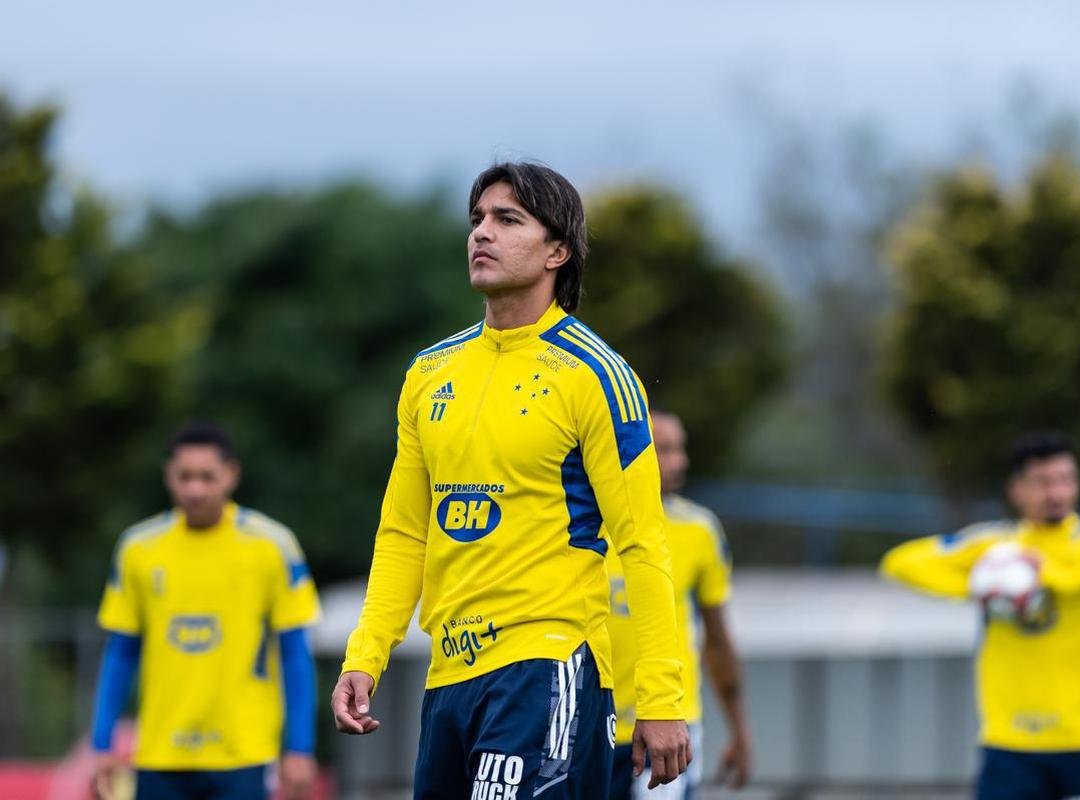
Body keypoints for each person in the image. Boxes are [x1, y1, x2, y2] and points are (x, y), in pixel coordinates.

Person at [331, 161, 690, 798]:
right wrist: (366, 655)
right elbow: (405, 534)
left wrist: (662, 697)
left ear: (558, 251)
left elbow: (642, 543)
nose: (482, 232)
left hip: (548, 664)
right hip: (449, 676)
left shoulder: (597, 374)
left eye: (508, 219)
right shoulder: (429, 373)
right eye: (477, 219)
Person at [880, 430, 1080, 800]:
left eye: (1066, 480)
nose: (1057, 493)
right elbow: (900, 562)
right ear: (1016, 489)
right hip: (1008, 743)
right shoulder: (995, 547)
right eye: (1043, 482)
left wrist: (1050, 577)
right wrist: (983, 585)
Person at [91, 421, 321, 800]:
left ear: (231, 475)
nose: (195, 489)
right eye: (185, 476)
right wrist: (102, 743)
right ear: (168, 475)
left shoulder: (273, 545)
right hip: (160, 753)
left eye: (206, 477)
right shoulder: (137, 548)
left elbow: (294, 652)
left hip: (243, 752)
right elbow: (121, 652)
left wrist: (300, 747)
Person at [606, 409, 752, 800]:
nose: (679, 461)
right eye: (664, 449)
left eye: (680, 449)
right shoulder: (585, 528)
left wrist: (739, 730)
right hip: (592, 726)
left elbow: (717, 641)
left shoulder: (699, 530)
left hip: (669, 726)